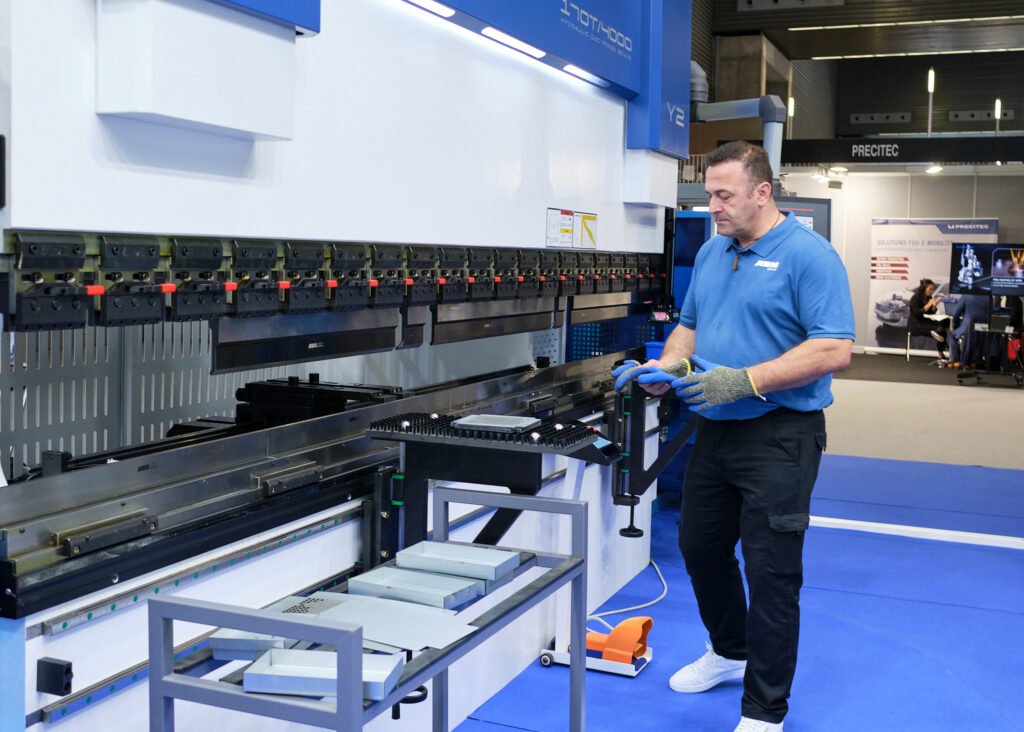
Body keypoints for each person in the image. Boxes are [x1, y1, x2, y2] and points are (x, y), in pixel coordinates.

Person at [613, 141, 854, 731]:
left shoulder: (810, 257)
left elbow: (834, 348)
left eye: (724, 195)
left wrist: (743, 380)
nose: (712, 208)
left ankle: (764, 709)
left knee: (772, 572)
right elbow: (688, 330)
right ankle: (729, 652)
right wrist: (667, 370)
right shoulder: (716, 253)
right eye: (709, 195)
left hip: (780, 435)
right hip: (713, 433)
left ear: (762, 192)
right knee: (699, 548)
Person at [946, 293, 990, 368]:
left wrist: (955, 325)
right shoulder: (988, 297)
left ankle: (956, 360)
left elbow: (956, 313)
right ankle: (974, 361)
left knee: (953, 335)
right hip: (984, 328)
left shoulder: (966, 296)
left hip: (967, 327)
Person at [908, 278, 948, 358]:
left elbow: (930, 313)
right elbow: (917, 314)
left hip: (925, 322)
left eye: (933, 289)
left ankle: (941, 354)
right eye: (930, 289)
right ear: (924, 289)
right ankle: (935, 333)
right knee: (938, 330)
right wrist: (929, 305)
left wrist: (934, 306)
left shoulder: (929, 298)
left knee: (942, 328)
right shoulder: (915, 298)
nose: (932, 291)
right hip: (916, 325)